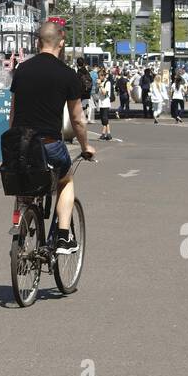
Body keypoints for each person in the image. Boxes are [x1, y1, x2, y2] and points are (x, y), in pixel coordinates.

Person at [8, 21, 95, 256]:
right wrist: (86, 146)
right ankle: (64, 236)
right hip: (49, 144)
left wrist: (16, 141)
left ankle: (22, 226)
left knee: (25, 180)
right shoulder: (67, 75)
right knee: (65, 180)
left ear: (38, 42)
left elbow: (13, 114)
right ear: (62, 42)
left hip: (20, 144)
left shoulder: (22, 70)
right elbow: (77, 120)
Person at [95, 69, 113, 140]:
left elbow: (105, 92)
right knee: (103, 119)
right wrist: (97, 85)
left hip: (105, 103)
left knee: (105, 118)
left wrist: (100, 85)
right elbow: (96, 91)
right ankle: (106, 134)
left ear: (103, 76)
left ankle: (107, 133)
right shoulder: (100, 82)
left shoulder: (107, 82)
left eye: (99, 76)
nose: (98, 78)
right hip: (101, 102)